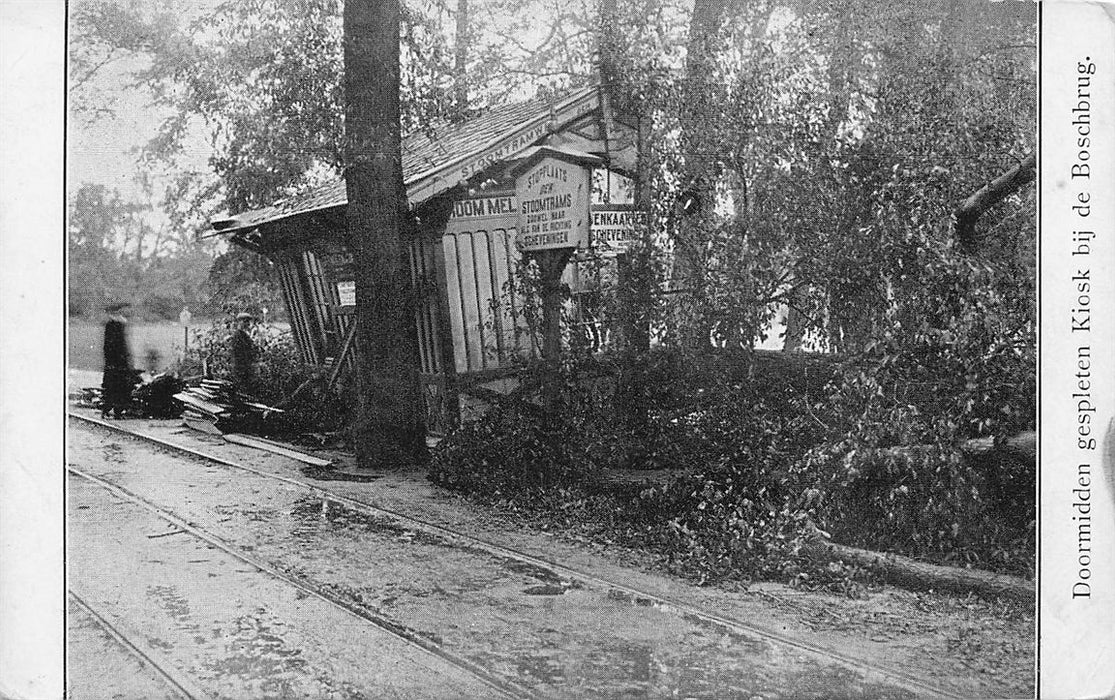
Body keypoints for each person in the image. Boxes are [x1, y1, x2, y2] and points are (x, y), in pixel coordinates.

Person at [101, 302, 134, 418]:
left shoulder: (115, 325)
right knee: (117, 387)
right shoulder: (114, 325)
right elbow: (115, 346)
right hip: (117, 362)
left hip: (116, 362)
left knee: (114, 387)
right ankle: (114, 410)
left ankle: (111, 410)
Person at [230, 311, 258, 391]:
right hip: (240, 367)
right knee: (242, 388)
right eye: (245, 321)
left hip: (246, 367)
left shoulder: (245, 335)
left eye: (248, 321)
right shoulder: (237, 336)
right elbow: (239, 353)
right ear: (239, 322)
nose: (247, 324)